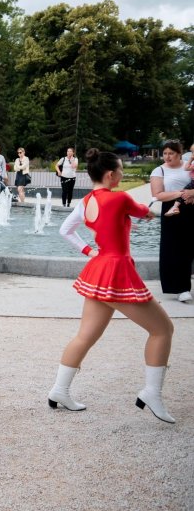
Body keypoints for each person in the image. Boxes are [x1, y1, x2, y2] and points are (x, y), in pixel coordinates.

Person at [53, 149, 176, 422]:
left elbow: (65, 230)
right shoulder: (120, 198)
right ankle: (151, 393)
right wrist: (161, 210)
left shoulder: (86, 201)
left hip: (98, 270)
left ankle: (59, 390)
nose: (121, 173)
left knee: (85, 336)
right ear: (111, 175)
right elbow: (144, 212)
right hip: (117, 272)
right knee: (163, 330)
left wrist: (89, 251)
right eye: (120, 169)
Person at [149, 140, 194, 303]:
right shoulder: (159, 170)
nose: (167, 157)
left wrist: (192, 194)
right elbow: (157, 194)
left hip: (192, 206)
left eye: (171, 153)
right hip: (172, 211)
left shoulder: (189, 167)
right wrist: (183, 193)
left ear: (179, 154)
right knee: (175, 249)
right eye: (165, 153)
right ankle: (181, 288)